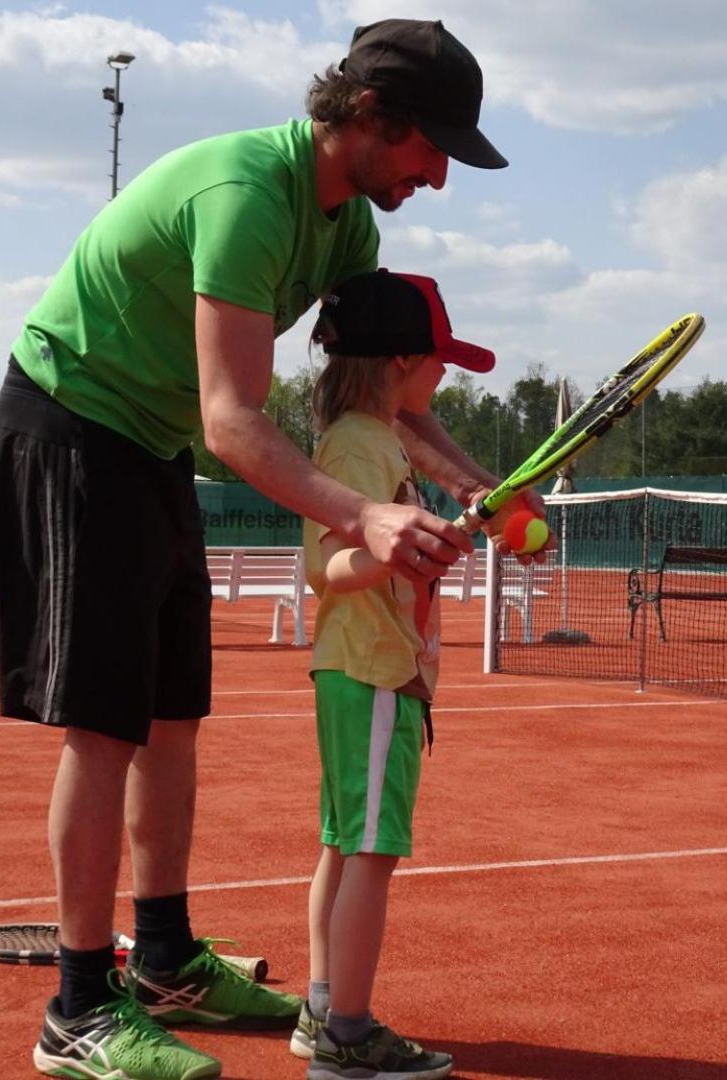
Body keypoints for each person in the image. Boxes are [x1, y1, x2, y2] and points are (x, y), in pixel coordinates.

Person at [0, 19, 510, 1080]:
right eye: (430, 148)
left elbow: (384, 397)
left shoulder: (347, 228)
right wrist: (364, 516)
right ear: (370, 116)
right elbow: (234, 420)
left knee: (171, 717)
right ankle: (78, 1008)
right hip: (74, 422)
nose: (437, 177)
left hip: (154, 444)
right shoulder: (246, 197)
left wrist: (473, 485)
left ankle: (165, 963)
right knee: (105, 725)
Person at [289, 270, 488, 1080]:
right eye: (439, 361)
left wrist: (435, 536)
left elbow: (379, 552)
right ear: (402, 362)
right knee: (370, 854)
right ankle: (347, 1034)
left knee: (344, 846)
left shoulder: (373, 440)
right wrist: (398, 548)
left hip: (370, 668)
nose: (444, 377)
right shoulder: (357, 445)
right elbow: (329, 567)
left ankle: (322, 1010)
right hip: (371, 669)